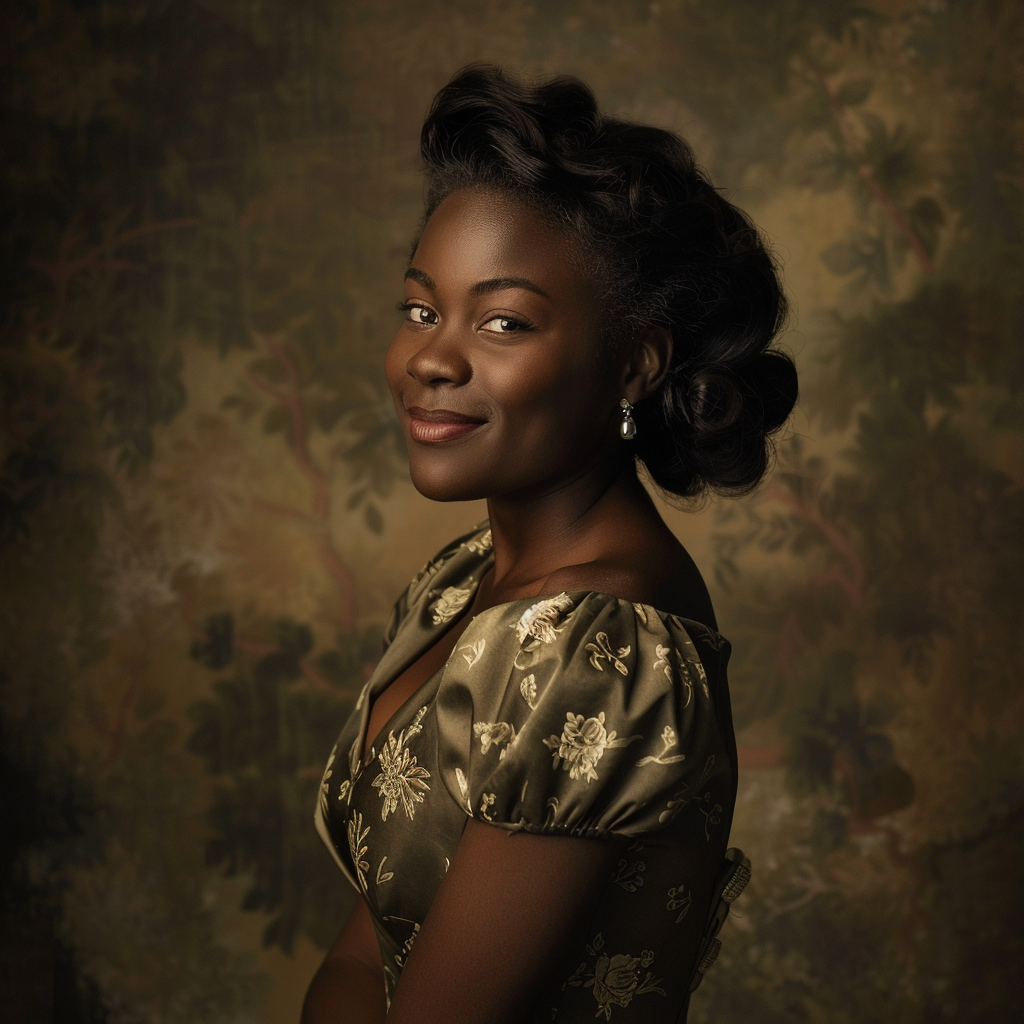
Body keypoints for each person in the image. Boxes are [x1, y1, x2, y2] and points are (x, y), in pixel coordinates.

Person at [302, 64, 797, 1024]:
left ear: (633, 363)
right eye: (419, 308)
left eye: (503, 322)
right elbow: (366, 959)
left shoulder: (604, 649)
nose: (433, 358)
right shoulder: (464, 583)